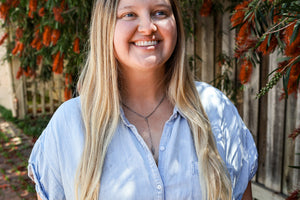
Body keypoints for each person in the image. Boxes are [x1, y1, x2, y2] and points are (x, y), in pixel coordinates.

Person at [28, 0, 258, 199]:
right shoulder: (68, 125)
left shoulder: (215, 109)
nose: (148, 27)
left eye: (160, 12)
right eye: (129, 14)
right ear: (105, 26)